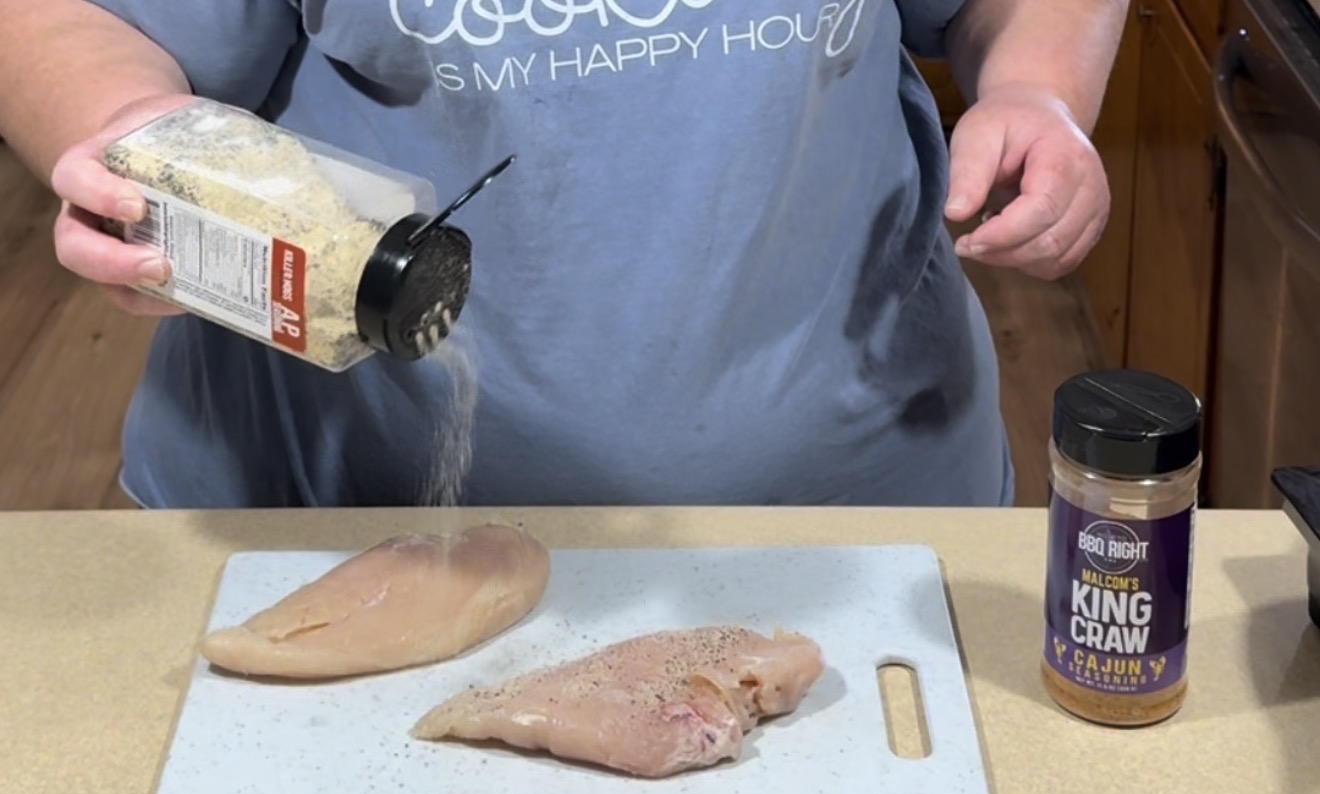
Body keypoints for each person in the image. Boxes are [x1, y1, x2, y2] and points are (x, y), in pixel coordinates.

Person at [0, 0, 1128, 509]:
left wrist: (1037, 88)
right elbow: (73, 18)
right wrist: (121, 130)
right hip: (333, 512)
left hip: (852, 504)